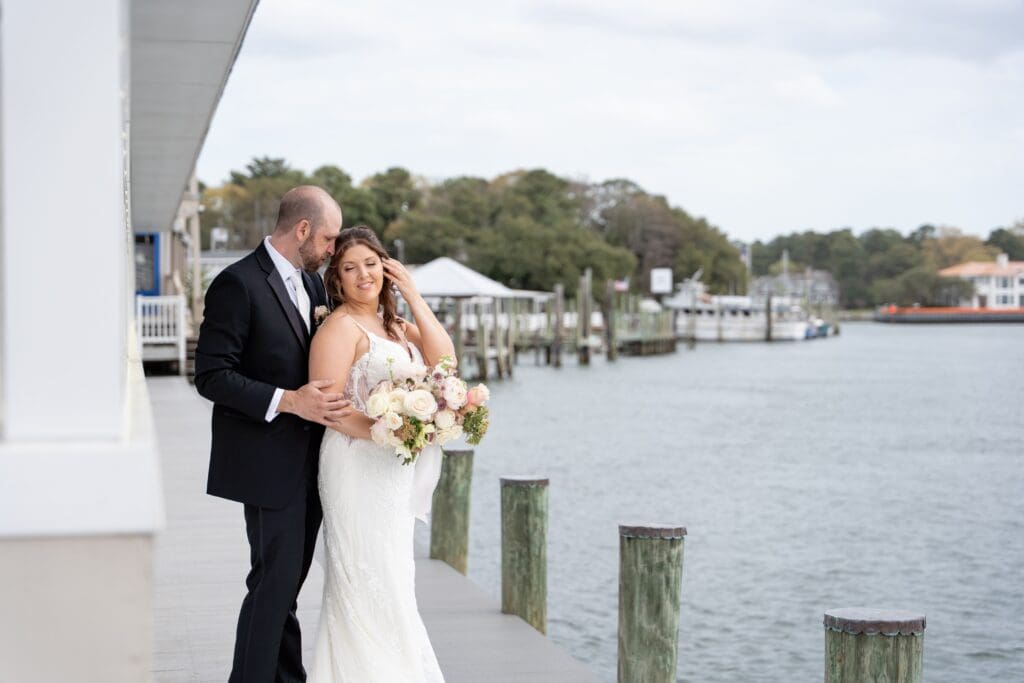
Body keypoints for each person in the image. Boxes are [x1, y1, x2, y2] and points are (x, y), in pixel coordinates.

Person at [194, 185, 351, 683]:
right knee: (272, 585)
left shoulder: (315, 288)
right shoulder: (236, 284)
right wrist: (289, 400)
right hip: (265, 464)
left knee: (285, 589)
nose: (332, 250)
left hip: (313, 464)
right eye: (328, 239)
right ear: (302, 229)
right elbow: (212, 375)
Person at [307, 225, 455, 682]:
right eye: (350, 268)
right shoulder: (339, 328)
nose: (362, 275)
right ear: (337, 279)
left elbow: (445, 363)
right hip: (353, 464)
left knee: (395, 578)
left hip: (392, 471)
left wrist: (412, 293)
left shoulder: (393, 324)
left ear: (386, 269)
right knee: (365, 577)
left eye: (371, 264)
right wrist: (388, 431)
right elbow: (328, 411)